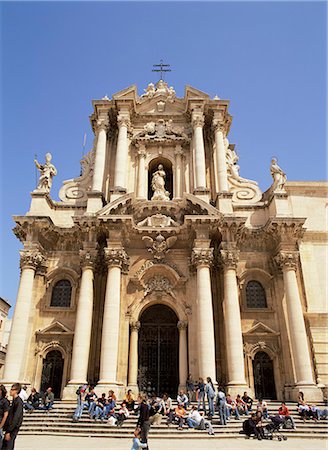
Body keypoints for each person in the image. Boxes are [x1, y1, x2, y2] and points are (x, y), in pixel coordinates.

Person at [1, 383, 24, 450]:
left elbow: (16, 418)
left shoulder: (19, 402)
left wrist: (9, 431)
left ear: (16, 391)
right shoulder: (15, 401)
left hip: (12, 429)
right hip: (10, 428)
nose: (10, 391)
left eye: (12, 389)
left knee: (8, 446)